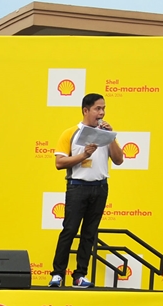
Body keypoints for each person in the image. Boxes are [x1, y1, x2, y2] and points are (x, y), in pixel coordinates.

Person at [49, 93, 124, 288]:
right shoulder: (71, 133)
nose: (102, 113)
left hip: (100, 188)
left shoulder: (106, 135)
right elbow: (59, 162)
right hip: (77, 187)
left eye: (103, 108)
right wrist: (84, 155)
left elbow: (118, 160)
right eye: (97, 109)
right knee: (70, 230)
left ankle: (79, 276)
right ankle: (57, 274)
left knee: (89, 233)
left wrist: (112, 137)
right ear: (85, 110)